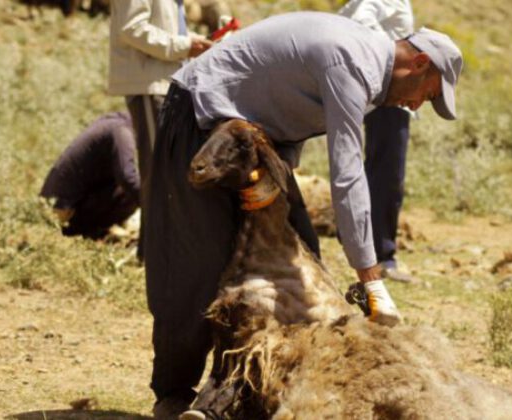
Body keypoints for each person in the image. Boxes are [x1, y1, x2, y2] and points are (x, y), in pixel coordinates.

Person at [146, 12, 462, 419]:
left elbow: (287, 115)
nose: (417, 105)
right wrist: (371, 278)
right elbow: (348, 176)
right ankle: (173, 394)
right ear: (419, 64)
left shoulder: (365, 67)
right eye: (428, 94)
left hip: (247, 137)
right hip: (200, 117)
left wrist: (274, 177)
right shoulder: (353, 63)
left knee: (301, 259)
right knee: (201, 263)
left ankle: (246, 394)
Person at [108, 0, 212, 259]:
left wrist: (190, 41)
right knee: (158, 170)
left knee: (166, 168)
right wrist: (183, 46)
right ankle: (155, 254)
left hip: (164, 82)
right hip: (149, 84)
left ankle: (159, 250)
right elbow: (132, 28)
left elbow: (160, 26)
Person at [339, 0, 416, 281]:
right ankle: (382, 255)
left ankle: (368, 246)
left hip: (383, 91)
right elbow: (359, 19)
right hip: (390, 94)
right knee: (388, 174)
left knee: (379, 171)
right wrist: (392, 58)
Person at [40, 112, 140, 239]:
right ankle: (96, 233)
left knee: (121, 181)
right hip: (63, 216)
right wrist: (157, 208)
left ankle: (105, 230)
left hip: (52, 207)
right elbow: (128, 179)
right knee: (132, 191)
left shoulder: (112, 123)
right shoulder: (122, 131)